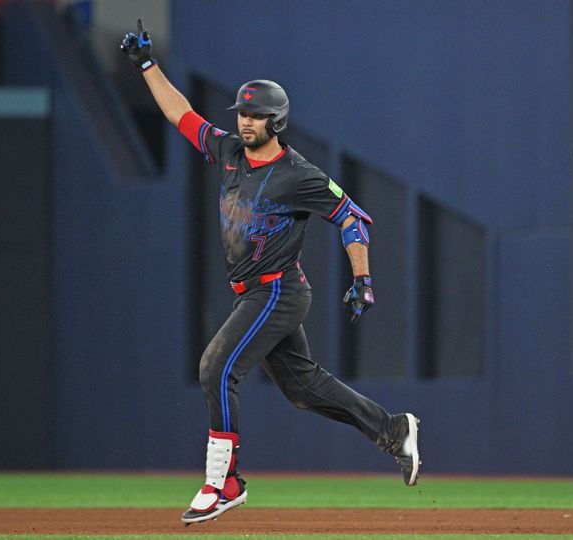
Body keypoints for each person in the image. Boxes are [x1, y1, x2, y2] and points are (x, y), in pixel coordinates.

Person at [121, 20, 421, 525]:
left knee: (215, 368)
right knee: (303, 390)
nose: (245, 122)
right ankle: (393, 430)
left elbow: (352, 219)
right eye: (242, 113)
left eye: (256, 115)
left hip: (278, 291)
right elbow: (181, 114)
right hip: (250, 293)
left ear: (276, 122)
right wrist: (148, 66)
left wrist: (363, 279)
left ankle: (224, 481)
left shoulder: (298, 174)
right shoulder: (230, 152)